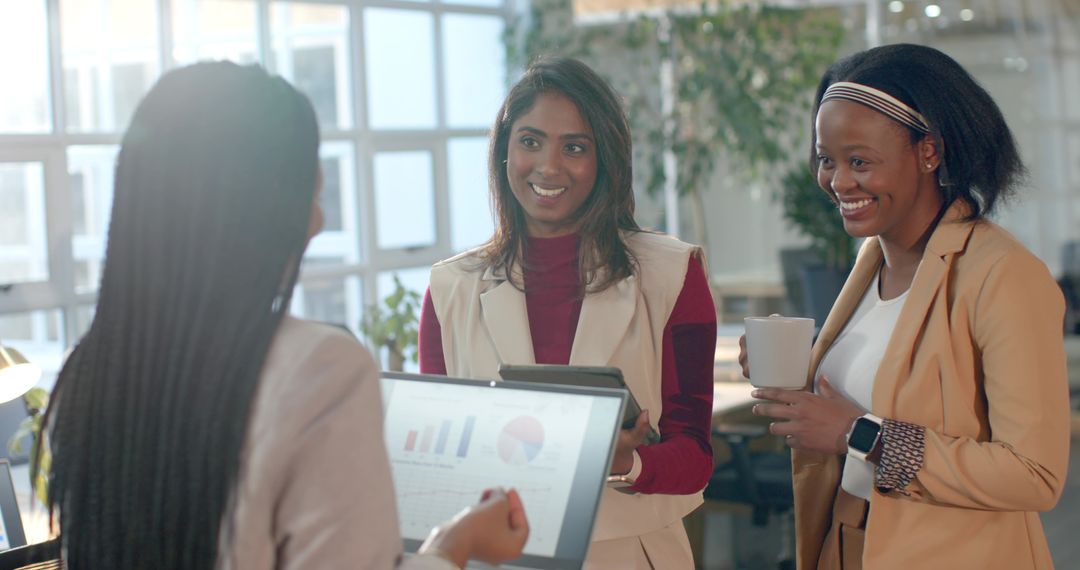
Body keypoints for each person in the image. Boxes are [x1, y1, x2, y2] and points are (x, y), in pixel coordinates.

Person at [43, 62, 528, 570]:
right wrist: (457, 545)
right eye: (307, 194)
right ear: (248, 208)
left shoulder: (87, 372)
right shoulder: (319, 369)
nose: (317, 221)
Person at [743, 43, 1070, 569]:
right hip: (847, 539)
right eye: (826, 160)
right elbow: (886, 387)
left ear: (929, 152)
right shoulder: (872, 258)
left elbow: (1034, 474)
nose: (839, 182)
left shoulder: (1003, 275)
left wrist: (857, 434)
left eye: (860, 162)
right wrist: (799, 378)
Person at [418, 56, 716, 569]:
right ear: (503, 152)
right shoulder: (451, 289)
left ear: (606, 160)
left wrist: (631, 462)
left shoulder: (671, 273)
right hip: (498, 556)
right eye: (530, 141)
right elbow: (440, 463)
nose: (549, 167)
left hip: (629, 554)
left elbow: (696, 455)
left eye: (574, 147)